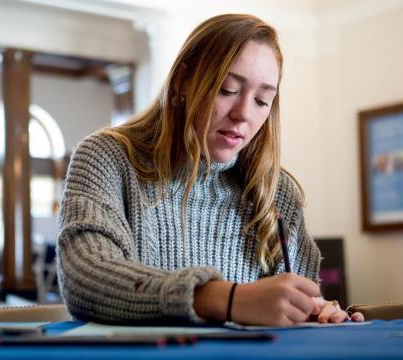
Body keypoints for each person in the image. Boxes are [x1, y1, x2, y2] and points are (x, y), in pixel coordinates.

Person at [57, 13, 363, 326]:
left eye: (261, 100)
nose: (243, 114)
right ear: (182, 82)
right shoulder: (108, 158)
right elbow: (87, 278)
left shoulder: (277, 191)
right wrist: (228, 299)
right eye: (227, 90)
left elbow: (299, 306)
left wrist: (317, 311)